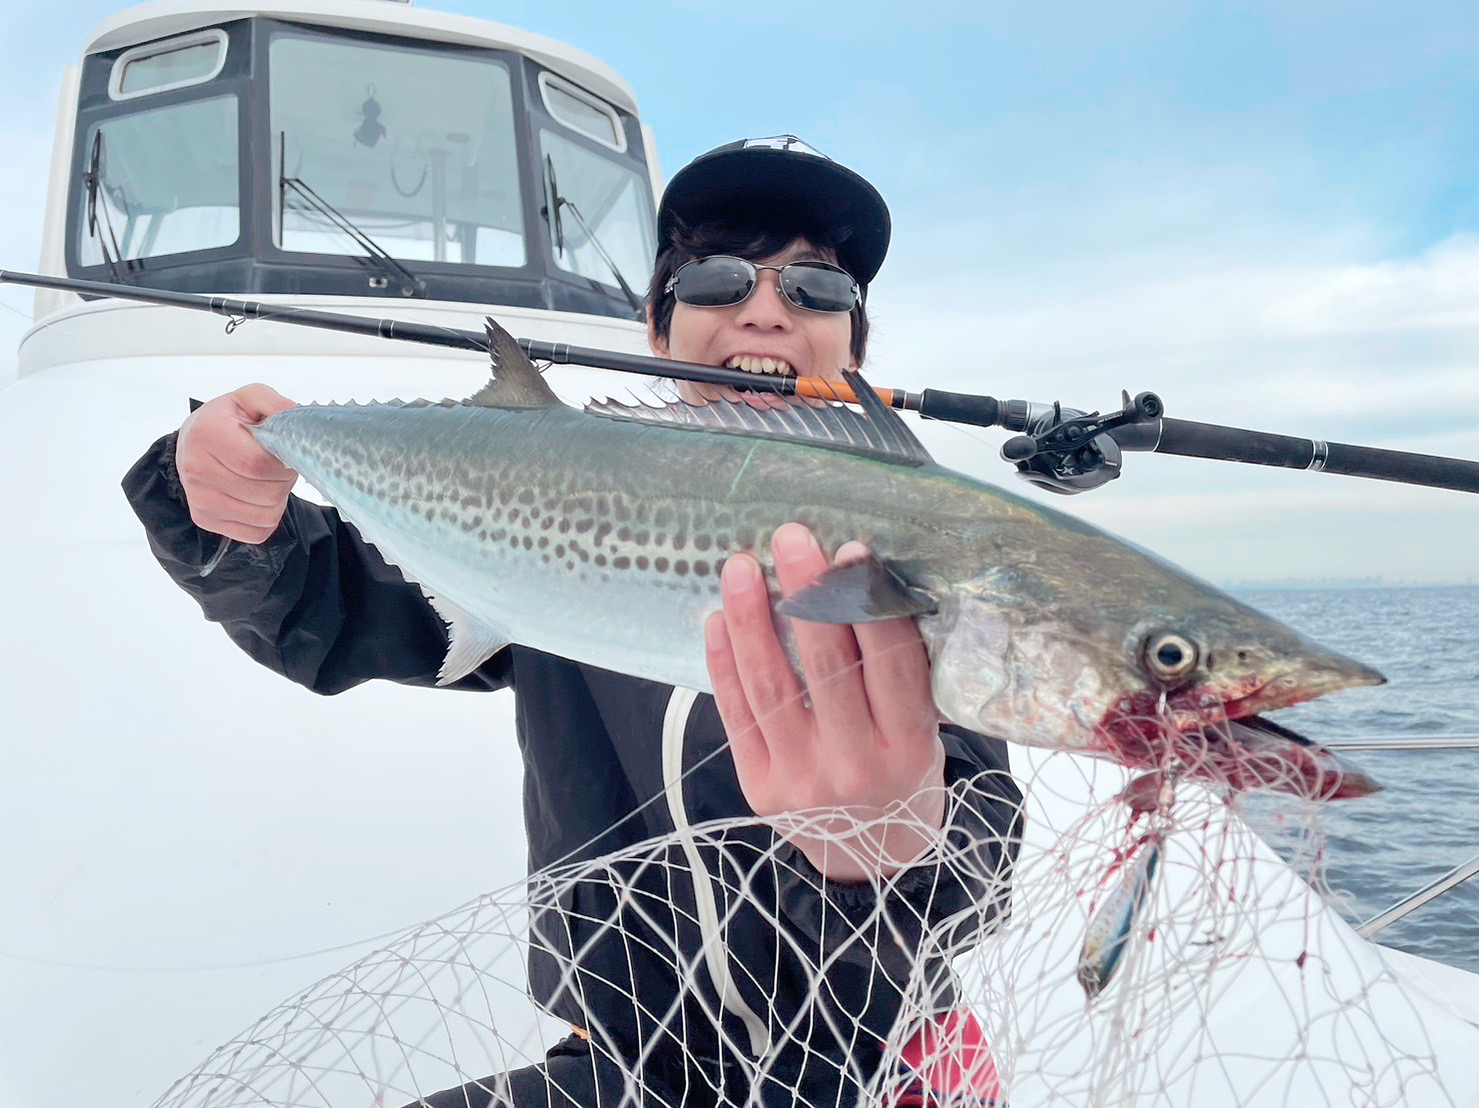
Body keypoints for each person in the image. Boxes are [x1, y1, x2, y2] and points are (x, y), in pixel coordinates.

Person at [123, 136, 1022, 1108]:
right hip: (623, 1064)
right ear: (655, 324)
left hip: (869, 1063)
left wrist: (878, 860)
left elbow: (981, 845)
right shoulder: (550, 508)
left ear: (855, 347)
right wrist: (219, 508)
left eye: (818, 289)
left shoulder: (913, 543)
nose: (766, 307)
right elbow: (329, 606)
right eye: (719, 279)